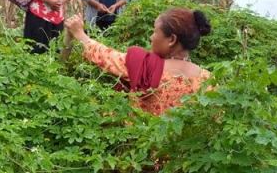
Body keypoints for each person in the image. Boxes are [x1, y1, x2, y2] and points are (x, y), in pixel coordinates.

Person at [65, 8, 212, 115]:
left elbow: (105, 56)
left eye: (155, 31)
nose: (151, 37)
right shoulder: (208, 79)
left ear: (171, 40)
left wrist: (79, 33)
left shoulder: (146, 65)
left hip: (140, 154)